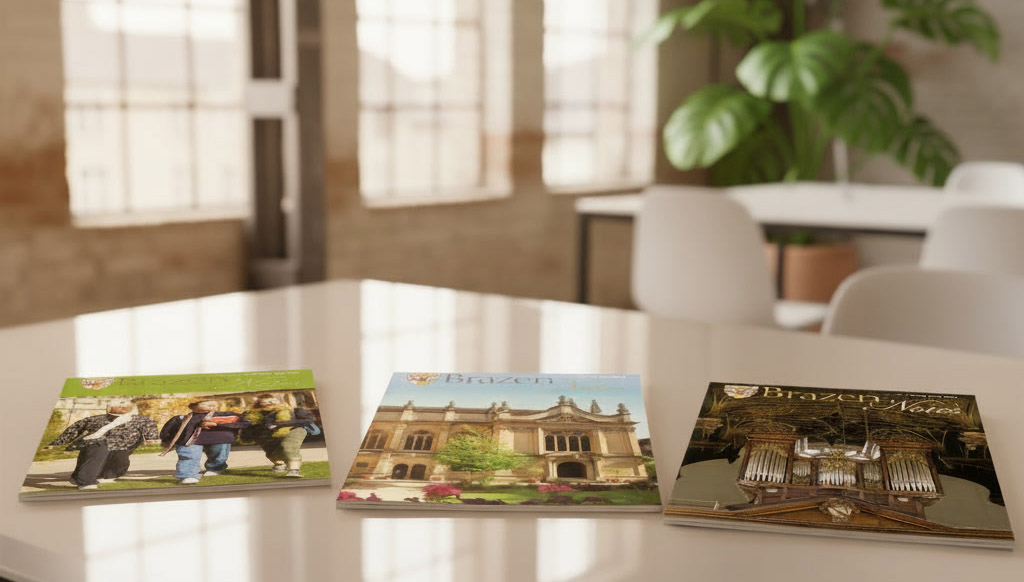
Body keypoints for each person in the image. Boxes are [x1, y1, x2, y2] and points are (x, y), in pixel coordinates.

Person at [47, 400, 158, 490]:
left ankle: (106, 475)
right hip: (97, 442)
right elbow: (76, 428)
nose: (122, 408)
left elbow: (150, 427)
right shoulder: (97, 419)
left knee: (120, 460)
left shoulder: (141, 420)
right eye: (118, 407)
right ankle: (85, 481)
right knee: (95, 455)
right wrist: (57, 442)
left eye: (124, 407)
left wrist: (150, 438)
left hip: (124, 444)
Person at [159, 400, 249, 484]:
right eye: (207, 404)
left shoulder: (227, 415)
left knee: (218, 455)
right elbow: (167, 430)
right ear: (193, 407)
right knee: (188, 456)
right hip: (189, 440)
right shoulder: (181, 418)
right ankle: (188, 475)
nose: (212, 405)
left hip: (219, 438)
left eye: (213, 404)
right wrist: (166, 440)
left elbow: (244, 423)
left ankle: (215, 468)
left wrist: (217, 424)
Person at [240, 395, 314, 477]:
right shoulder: (253, 413)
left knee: (288, 447)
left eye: (273, 400)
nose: (270, 403)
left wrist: (280, 423)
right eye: (266, 401)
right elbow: (247, 424)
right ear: (259, 403)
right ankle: (280, 464)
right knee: (271, 451)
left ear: (280, 401)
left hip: (294, 429)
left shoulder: (293, 409)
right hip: (267, 433)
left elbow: (308, 420)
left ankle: (294, 470)